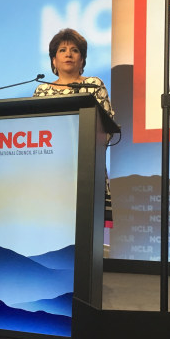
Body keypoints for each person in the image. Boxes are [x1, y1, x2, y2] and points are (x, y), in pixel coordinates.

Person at [33, 28, 115, 224]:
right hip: (51, 169)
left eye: (74, 50)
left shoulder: (94, 85)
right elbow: (35, 129)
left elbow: (107, 128)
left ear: (82, 59)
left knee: (88, 229)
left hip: (87, 167)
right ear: (53, 60)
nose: (68, 54)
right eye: (62, 50)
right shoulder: (42, 89)